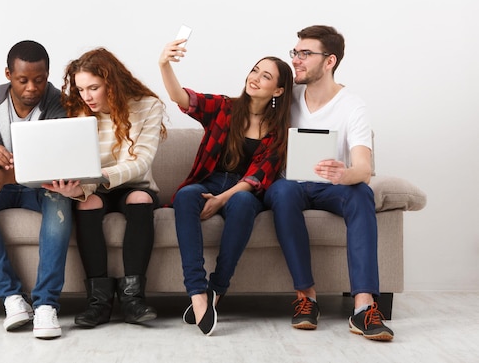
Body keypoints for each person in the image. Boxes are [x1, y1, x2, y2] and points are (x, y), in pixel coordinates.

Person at [263, 25, 394, 341]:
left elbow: (364, 167)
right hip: (290, 185)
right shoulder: (286, 97)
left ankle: (363, 307)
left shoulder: (352, 105)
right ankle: (306, 297)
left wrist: (343, 174)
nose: (296, 60)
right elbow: (242, 109)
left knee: (362, 193)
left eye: (305, 54)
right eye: (295, 52)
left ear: (330, 61)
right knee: (280, 191)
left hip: (331, 186)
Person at [158, 39, 293, 336]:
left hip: (242, 192)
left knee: (243, 204)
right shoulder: (223, 107)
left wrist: (220, 200)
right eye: (255, 71)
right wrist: (164, 64)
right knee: (184, 196)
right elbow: (181, 98)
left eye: (265, 76)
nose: (255, 78)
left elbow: (257, 178)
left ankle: (217, 289)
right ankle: (197, 293)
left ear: (279, 91)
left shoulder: (279, 131)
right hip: (209, 181)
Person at [0, 40, 72, 339]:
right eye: (23, 80)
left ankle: (46, 305)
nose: (32, 87)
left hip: (39, 187)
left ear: (48, 75)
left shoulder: (59, 103)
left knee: (60, 196)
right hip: (1, 187)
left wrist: (7, 177)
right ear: (8, 73)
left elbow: (55, 164)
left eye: (39, 79)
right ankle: (12, 298)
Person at [43, 47, 166, 328]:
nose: (86, 96)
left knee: (138, 200)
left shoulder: (148, 106)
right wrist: (75, 189)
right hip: (94, 186)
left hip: (135, 183)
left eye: (93, 88)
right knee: (88, 203)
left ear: (112, 82)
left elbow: (140, 162)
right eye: (81, 89)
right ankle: (98, 303)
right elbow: (77, 163)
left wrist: (95, 178)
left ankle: (134, 299)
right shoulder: (79, 110)